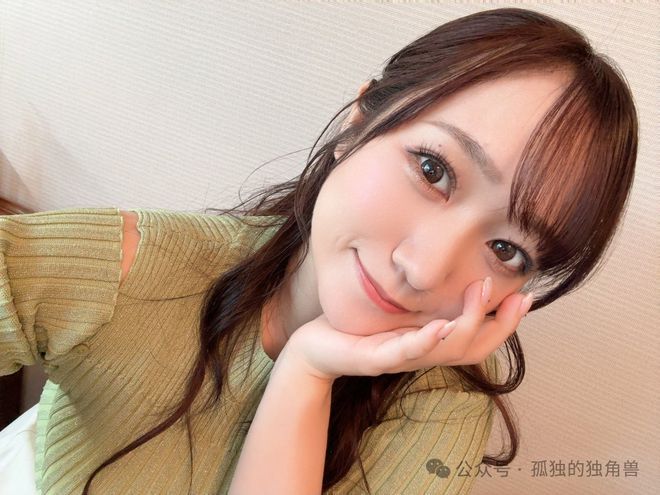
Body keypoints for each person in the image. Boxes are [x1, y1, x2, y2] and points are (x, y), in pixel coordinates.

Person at [0, 7, 637, 495]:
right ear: (356, 126)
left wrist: (307, 372)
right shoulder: (133, 272)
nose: (422, 269)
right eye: (433, 169)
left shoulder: (439, 409)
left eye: (506, 248)